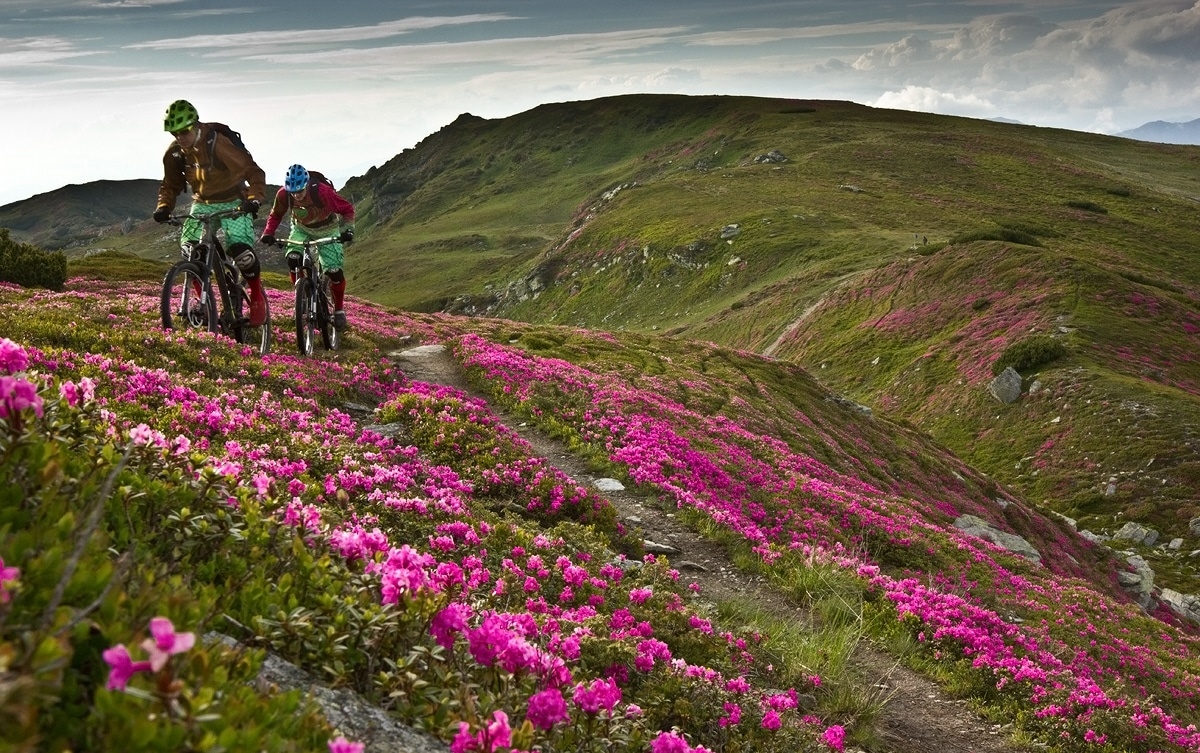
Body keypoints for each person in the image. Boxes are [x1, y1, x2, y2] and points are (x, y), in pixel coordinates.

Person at [153, 99, 269, 326]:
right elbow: (170, 184)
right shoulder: (175, 152)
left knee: (241, 253)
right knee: (190, 251)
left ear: (195, 125)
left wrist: (254, 198)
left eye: (184, 131)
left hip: (233, 200)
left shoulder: (217, 143)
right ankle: (204, 302)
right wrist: (164, 206)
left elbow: (252, 171)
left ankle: (256, 295)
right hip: (202, 202)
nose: (180, 137)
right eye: (174, 133)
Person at [259, 164, 356, 330]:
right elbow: (276, 215)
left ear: (306, 185)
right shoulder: (283, 194)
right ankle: (301, 295)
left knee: (334, 271)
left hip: (327, 229)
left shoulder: (323, 192)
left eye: (300, 191)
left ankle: (339, 309)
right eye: (293, 192)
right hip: (301, 229)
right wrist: (268, 233)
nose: (296, 195)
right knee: (293, 258)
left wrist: (348, 230)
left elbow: (347, 209)